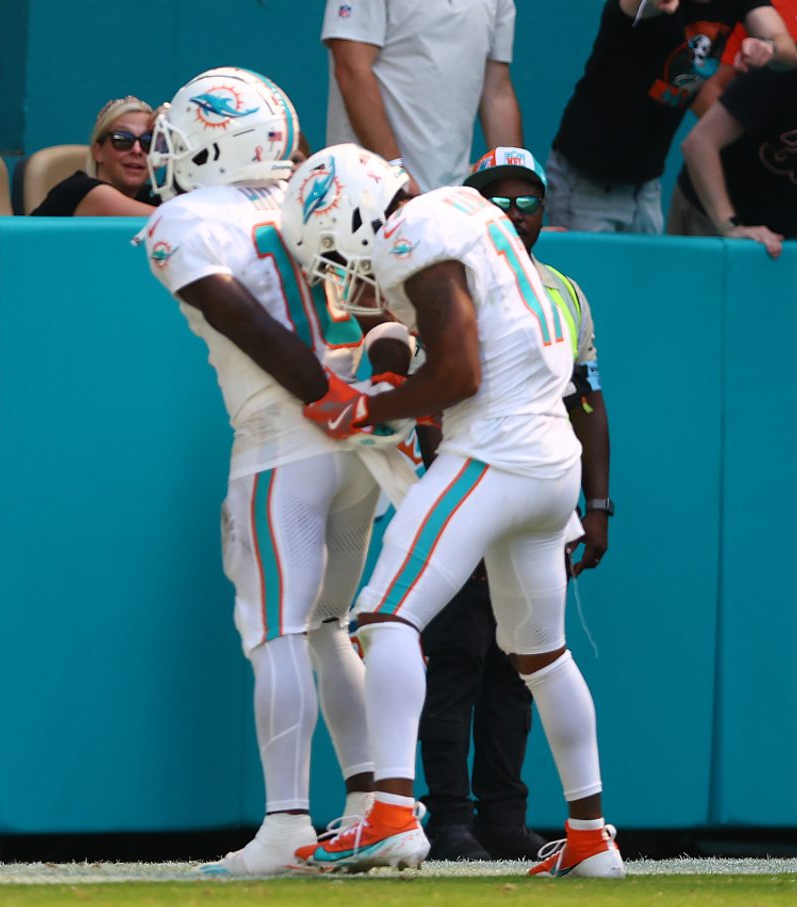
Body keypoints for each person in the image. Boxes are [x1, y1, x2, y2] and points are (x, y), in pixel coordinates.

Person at [281, 144, 623, 878]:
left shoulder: (420, 227)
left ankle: (392, 814)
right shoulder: (466, 213)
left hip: (495, 450)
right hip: (550, 461)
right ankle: (592, 835)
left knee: (383, 614)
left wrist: (368, 406)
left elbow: (460, 369)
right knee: (540, 653)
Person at [139, 68, 423, 878]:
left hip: (283, 436)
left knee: (278, 631)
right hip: (360, 444)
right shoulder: (316, 188)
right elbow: (383, 308)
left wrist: (322, 394)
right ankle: (377, 812)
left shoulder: (186, 219)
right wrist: (375, 393)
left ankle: (289, 825)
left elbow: (232, 306)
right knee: (331, 625)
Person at [410, 147, 614, 863]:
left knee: (523, 663)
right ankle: (450, 819)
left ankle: (504, 816)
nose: (514, 213)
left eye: (527, 201)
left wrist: (598, 504)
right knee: (455, 655)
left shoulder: (564, 290)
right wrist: (452, 491)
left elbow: (585, 397)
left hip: (540, 491)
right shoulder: (446, 280)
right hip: (469, 483)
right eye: (498, 200)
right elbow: (430, 394)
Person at [546, 0, 796, 234]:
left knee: (643, 281)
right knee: (585, 280)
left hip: (645, 185)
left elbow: (786, 48)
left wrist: (769, 49)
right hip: (586, 181)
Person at [320, 0, 521, 193]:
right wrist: (395, 172)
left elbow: (497, 93)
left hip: (449, 196)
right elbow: (352, 71)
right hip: (367, 193)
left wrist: (514, 183)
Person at [672, 66, 797, 256]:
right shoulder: (782, 71)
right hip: (711, 218)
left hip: (782, 240)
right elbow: (699, 143)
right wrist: (730, 226)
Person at [31, 95, 157, 216]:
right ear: (98, 151)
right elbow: (172, 220)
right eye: (122, 139)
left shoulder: (150, 196)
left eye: (149, 141)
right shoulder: (85, 191)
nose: (137, 150)